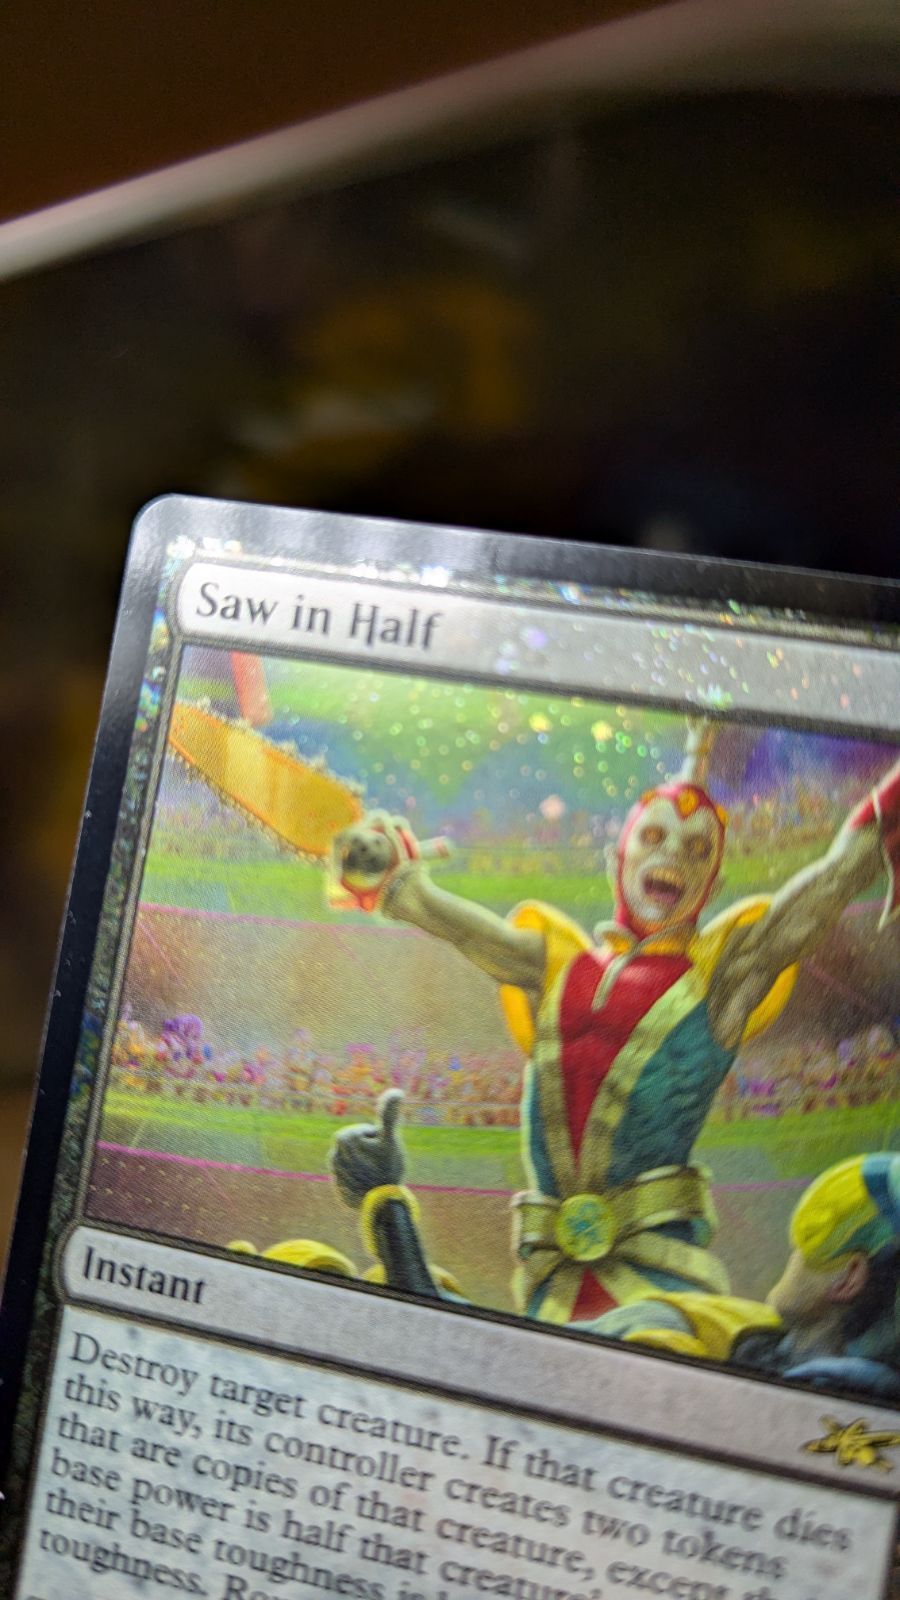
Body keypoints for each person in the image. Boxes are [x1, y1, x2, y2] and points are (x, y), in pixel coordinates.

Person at [331, 729, 900, 1327]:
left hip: (661, 1288)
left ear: (712, 887)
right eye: (654, 838)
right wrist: (389, 877)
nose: (673, 856)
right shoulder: (554, 963)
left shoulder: (722, 978)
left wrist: (889, 805)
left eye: (696, 850)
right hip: (550, 1287)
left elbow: (836, 877)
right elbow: (458, 926)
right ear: (617, 860)